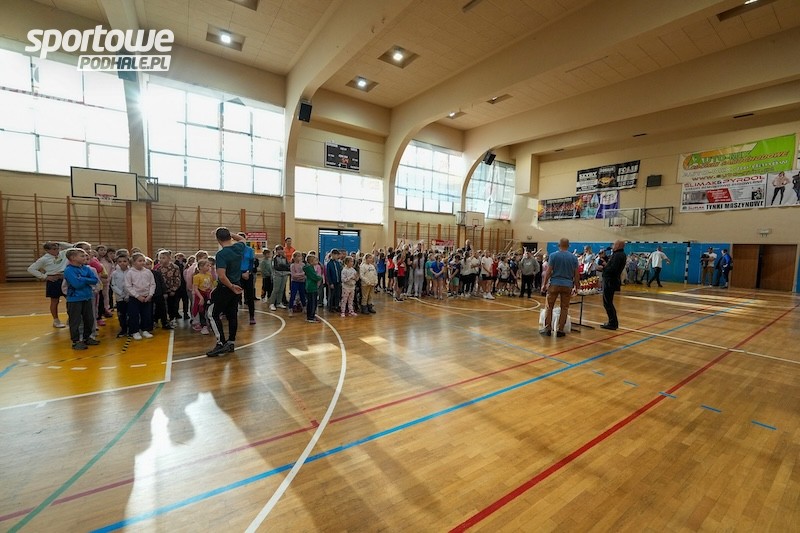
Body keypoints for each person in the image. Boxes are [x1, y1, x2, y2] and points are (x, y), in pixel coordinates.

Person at [206, 228, 245, 357]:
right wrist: (230, 233)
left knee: (212, 314)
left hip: (227, 287)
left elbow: (222, 276)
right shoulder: (238, 248)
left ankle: (221, 343)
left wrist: (231, 287)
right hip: (237, 285)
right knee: (232, 315)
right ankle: (231, 342)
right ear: (230, 237)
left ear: (218, 239)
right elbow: (242, 239)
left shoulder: (221, 254)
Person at [540, 238, 580, 337]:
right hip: (567, 285)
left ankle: (547, 328)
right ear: (569, 246)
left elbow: (548, 271)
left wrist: (544, 284)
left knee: (549, 307)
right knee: (564, 308)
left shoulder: (553, 255)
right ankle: (560, 330)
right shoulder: (573, 258)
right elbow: (576, 274)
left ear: (559, 245)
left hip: (554, 283)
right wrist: (576, 286)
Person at [63, 248, 100, 350]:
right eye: (82, 256)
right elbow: (76, 284)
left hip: (87, 297)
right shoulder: (69, 270)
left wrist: (82, 279)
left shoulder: (86, 268)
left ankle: (87, 337)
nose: (85, 257)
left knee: (89, 319)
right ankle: (76, 341)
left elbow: (95, 280)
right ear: (73, 258)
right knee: (75, 320)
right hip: (74, 299)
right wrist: (87, 280)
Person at [27, 241, 71, 328]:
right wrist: (45, 277)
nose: (57, 250)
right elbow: (31, 269)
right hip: (53, 281)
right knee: (55, 301)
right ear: (47, 250)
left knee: (70, 300)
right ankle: (56, 320)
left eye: (58, 248)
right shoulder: (44, 259)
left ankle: (71, 318)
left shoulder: (64, 253)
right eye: (54, 249)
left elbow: (74, 246)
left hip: (65, 279)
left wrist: (59, 243)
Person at [124, 252, 156, 340]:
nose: (142, 262)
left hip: (146, 297)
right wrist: (137, 296)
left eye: (143, 261)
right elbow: (128, 286)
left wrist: (150, 294)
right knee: (134, 315)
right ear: (134, 262)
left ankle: (145, 330)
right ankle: (135, 331)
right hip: (135, 298)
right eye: (139, 261)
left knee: (146, 314)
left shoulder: (148, 272)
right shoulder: (130, 273)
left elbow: (152, 284)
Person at [601, 240, 627, 330]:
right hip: (611, 280)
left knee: (607, 302)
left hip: (610, 280)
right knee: (608, 302)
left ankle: (613, 323)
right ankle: (612, 322)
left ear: (618, 245)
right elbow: (612, 264)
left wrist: (603, 268)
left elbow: (613, 268)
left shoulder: (618, 255)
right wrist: (606, 259)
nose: (613, 246)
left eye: (614, 244)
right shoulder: (619, 254)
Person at [235, 234, 257, 325]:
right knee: (235, 295)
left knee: (250, 296)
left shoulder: (250, 250)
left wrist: (248, 272)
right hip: (237, 274)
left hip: (248, 274)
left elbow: (251, 263)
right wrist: (240, 273)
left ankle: (252, 316)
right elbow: (234, 263)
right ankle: (233, 315)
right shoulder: (234, 249)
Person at [192, 259, 215, 335]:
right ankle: (203, 325)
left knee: (209, 310)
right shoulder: (196, 276)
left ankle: (210, 325)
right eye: (207, 265)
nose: (209, 267)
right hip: (201, 295)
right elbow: (195, 288)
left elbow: (211, 284)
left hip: (208, 295)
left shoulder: (209, 275)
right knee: (201, 311)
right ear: (201, 267)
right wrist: (201, 298)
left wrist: (211, 291)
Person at [110, 254, 130, 338]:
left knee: (131, 313)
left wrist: (128, 295)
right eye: (120, 261)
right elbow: (113, 285)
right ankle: (123, 329)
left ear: (128, 262)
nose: (122, 263)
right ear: (117, 263)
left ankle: (131, 329)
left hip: (130, 297)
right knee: (121, 314)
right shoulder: (114, 273)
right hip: (120, 297)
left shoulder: (131, 272)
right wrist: (121, 293)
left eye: (124, 261)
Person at [268, 245, 290, 311]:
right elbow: (276, 267)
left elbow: (288, 266)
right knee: (276, 289)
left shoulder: (284, 258)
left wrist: (282, 266)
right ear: (276, 251)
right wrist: (284, 267)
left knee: (281, 289)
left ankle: (279, 302)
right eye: (278, 250)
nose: (280, 251)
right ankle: (272, 303)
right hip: (277, 275)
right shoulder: (274, 258)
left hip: (284, 275)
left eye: (281, 249)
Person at [303, 253, 323, 323]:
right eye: (315, 260)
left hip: (313, 286)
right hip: (311, 287)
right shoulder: (309, 268)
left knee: (313, 302)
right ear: (311, 261)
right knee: (312, 303)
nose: (317, 261)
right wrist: (320, 277)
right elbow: (314, 276)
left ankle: (312, 315)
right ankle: (310, 317)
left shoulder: (310, 267)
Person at [288, 251, 307, 316]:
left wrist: (300, 275)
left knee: (302, 295)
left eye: (300, 256)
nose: (300, 257)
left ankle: (304, 307)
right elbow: (293, 275)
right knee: (293, 295)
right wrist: (302, 274)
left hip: (302, 282)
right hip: (295, 282)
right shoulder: (292, 265)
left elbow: (305, 274)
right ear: (294, 257)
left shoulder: (303, 265)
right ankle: (290, 309)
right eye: (298, 256)